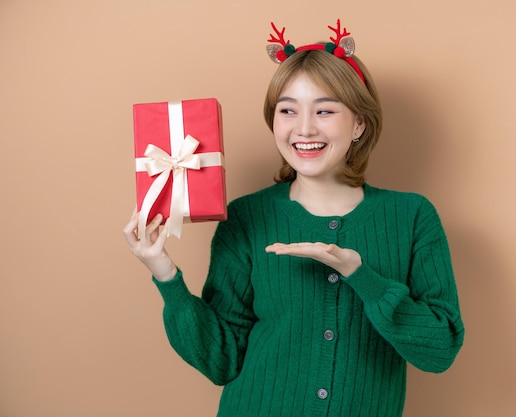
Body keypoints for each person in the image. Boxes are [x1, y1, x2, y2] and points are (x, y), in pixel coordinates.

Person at [124, 19, 464, 417]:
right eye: (288, 110)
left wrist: (363, 277)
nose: (304, 128)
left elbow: (440, 350)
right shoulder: (245, 217)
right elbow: (221, 361)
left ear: (358, 123)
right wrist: (164, 274)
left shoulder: (412, 217)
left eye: (324, 110)